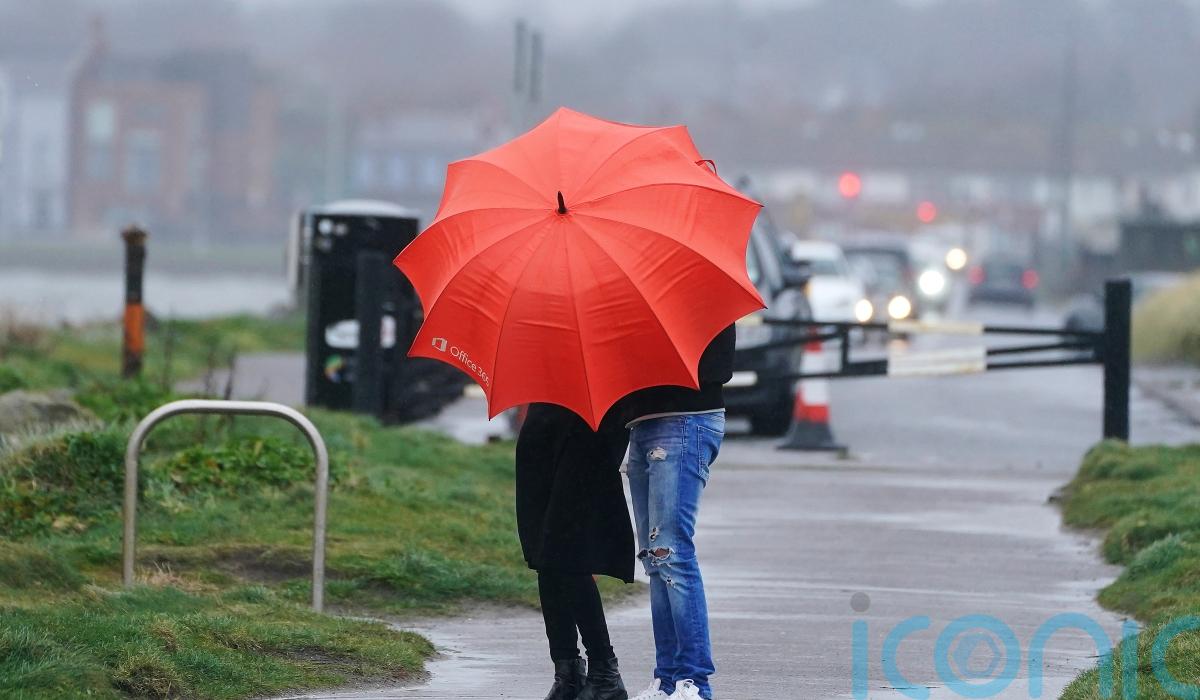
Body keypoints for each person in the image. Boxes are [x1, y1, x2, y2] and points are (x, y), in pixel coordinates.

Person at [622, 324, 734, 700]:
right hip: (642, 422)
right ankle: (668, 679)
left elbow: (718, 364)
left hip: (686, 415)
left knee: (671, 553)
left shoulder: (694, 293)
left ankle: (694, 681)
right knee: (655, 560)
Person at [516, 402, 635, 700]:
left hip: (590, 428)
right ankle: (567, 672)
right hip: (544, 425)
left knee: (567, 553)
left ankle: (605, 672)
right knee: (544, 556)